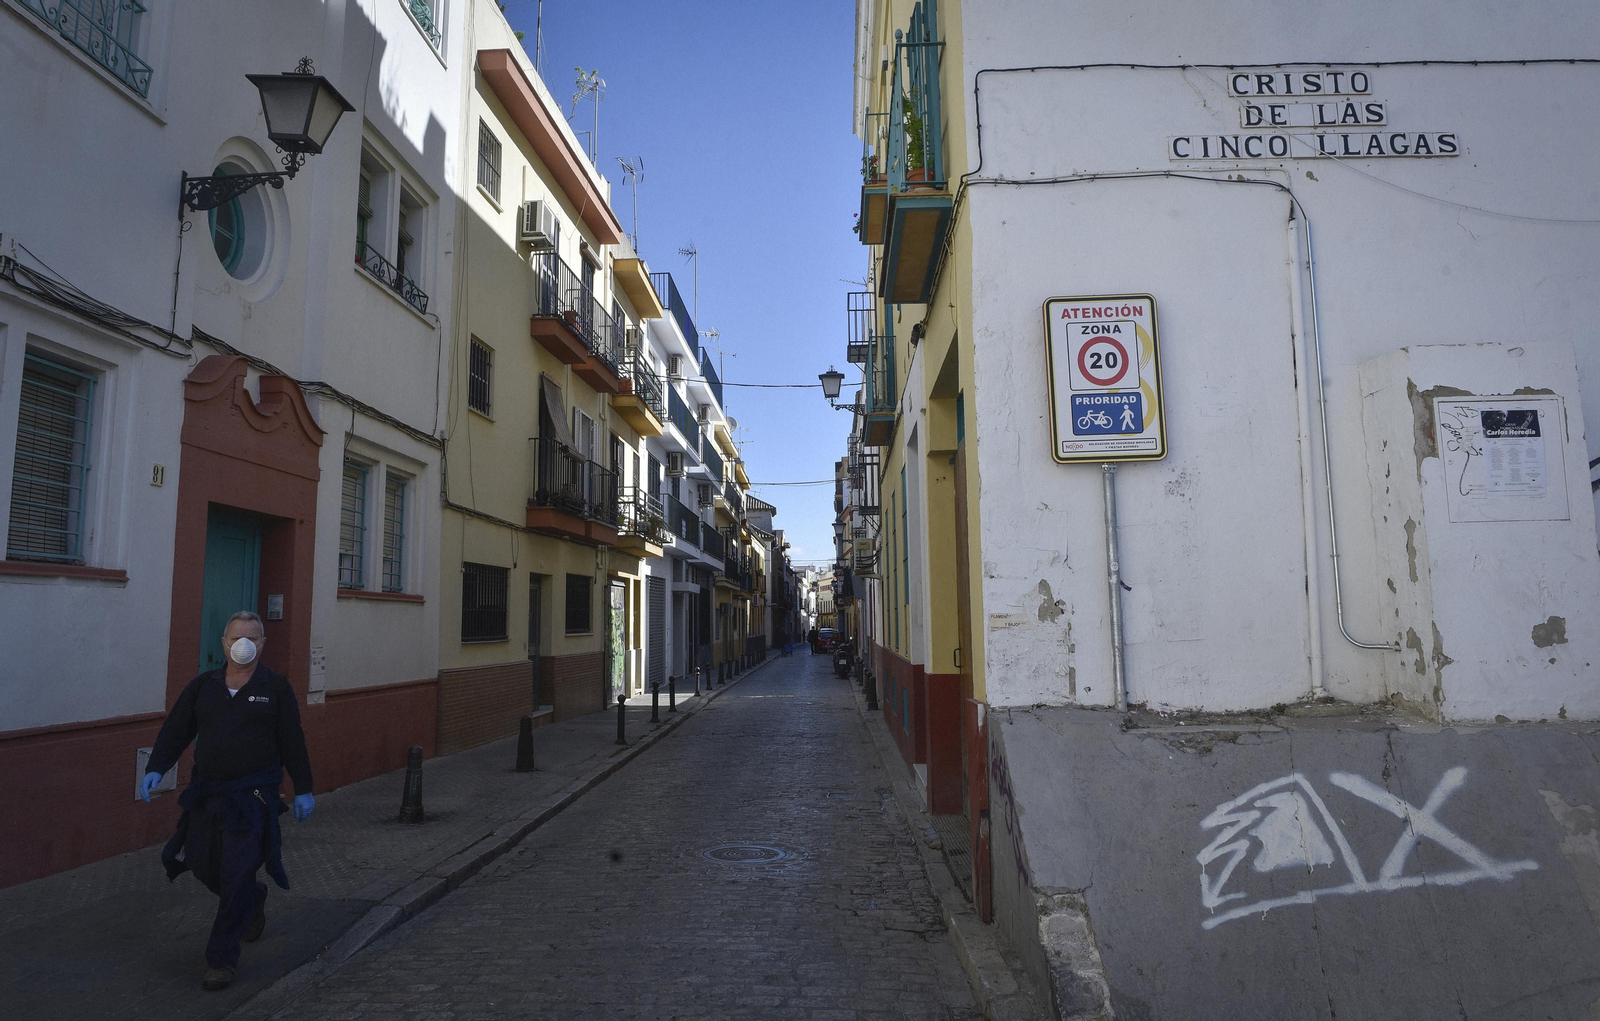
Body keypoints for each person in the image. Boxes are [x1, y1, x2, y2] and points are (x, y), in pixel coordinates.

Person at [139, 611, 315, 991]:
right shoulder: (204, 687)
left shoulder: (276, 688)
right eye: (236, 636)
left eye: (252, 636)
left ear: (263, 644)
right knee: (203, 864)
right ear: (224, 643)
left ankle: (221, 959)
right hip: (207, 794)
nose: (243, 642)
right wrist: (157, 767)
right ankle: (252, 900)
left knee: (236, 872)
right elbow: (177, 729)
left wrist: (303, 787)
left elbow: (292, 740)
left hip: (253, 799)